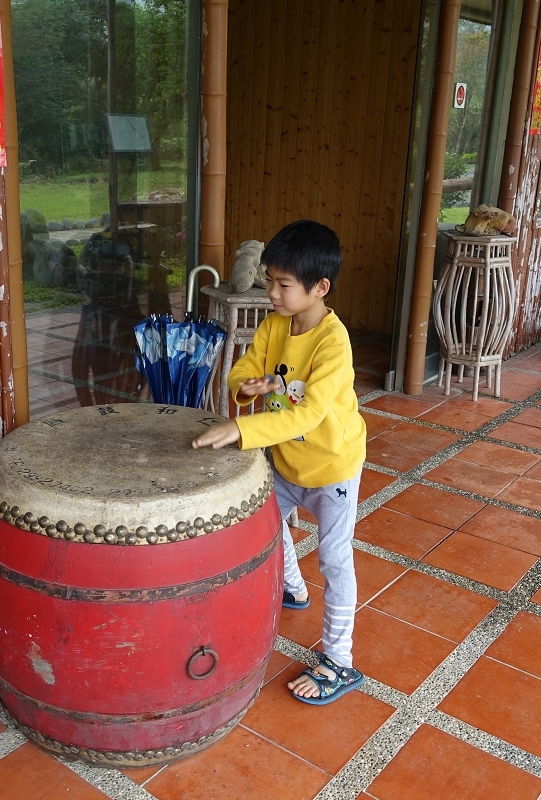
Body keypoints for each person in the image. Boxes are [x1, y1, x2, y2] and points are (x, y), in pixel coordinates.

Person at [191, 219, 367, 705]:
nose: (270, 291)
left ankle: (339, 660)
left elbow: (307, 413)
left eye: (282, 284)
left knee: (334, 560)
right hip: (286, 461)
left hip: (332, 467)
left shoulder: (334, 343)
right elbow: (248, 366)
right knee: (269, 523)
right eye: (269, 279)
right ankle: (293, 588)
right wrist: (244, 385)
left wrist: (241, 428)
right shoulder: (275, 324)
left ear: (320, 288)